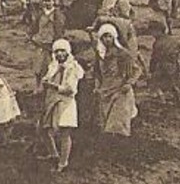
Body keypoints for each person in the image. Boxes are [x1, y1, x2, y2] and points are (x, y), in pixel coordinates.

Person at [41, 39, 84, 172]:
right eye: (57, 51)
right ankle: (53, 154)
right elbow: (46, 79)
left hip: (66, 103)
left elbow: (70, 89)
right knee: (44, 130)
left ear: (68, 52)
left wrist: (53, 86)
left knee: (65, 132)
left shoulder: (72, 68)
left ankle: (63, 163)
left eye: (62, 51)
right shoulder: (53, 66)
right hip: (53, 101)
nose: (60, 54)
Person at [93, 24, 139, 138]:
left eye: (109, 36)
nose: (107, 39)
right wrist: (97, 86)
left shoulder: (122, 53)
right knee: (105, 125)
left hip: (120, 92)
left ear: (114, 37)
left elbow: (136, 70)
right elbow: (97, 73)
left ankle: (120, 150)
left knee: (117, 125)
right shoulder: (100, 54)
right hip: (105, 91)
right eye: (104, 37)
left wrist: (129, 83)